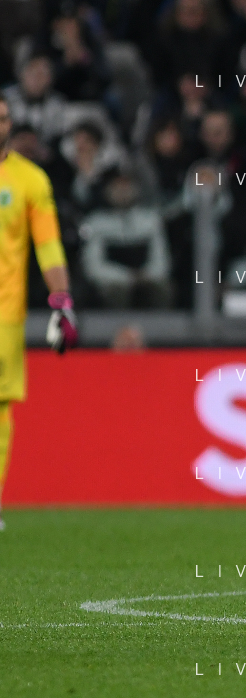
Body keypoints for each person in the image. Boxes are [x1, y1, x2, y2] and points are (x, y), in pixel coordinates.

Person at [0, 95, 78, 531]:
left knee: (0, 407)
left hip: (4, 313)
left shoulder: (29, 180)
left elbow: (47, 244)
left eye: (3, 118)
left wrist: (61, 299)